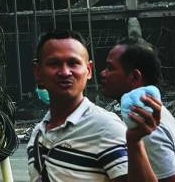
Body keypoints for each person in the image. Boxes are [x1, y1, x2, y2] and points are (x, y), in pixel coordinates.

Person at [28, 29, 162, 182]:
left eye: (73, 63)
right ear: (38, 72)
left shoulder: (106, 129)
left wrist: (135, 143)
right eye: (54, 64)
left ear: (88, 70)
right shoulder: (38, 134)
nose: (65, 72)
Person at [100, 38, 175, 182]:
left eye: (110, 68)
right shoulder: (152, 117)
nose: (103, 73)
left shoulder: (147, 129)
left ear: (135, 77)